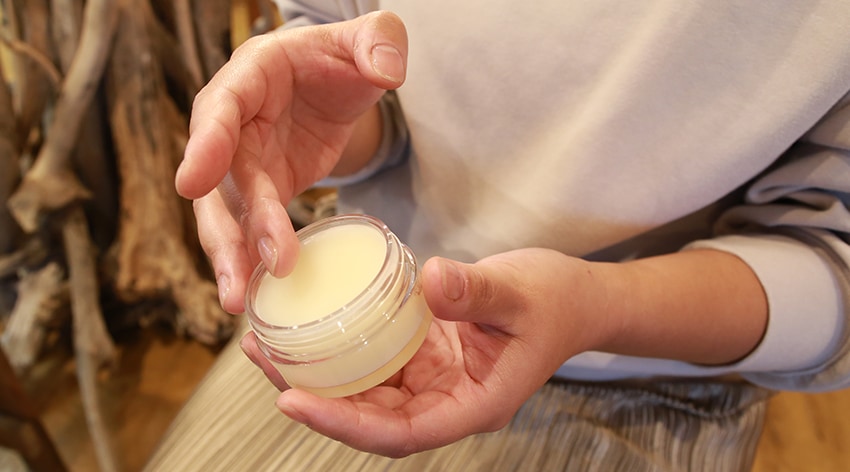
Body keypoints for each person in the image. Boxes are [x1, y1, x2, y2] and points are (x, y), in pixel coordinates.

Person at [170, 1, 850, 469]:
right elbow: (358, 66)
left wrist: (596, 305)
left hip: (641, 372)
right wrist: (317, 119)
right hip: (358, 316)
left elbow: (829, 263)